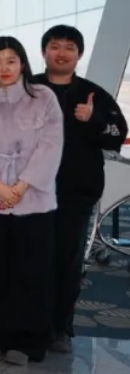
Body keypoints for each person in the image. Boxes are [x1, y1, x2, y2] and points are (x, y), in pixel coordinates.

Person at [0, 37, 63, 365]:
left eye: (10, 61)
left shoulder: (43, 97)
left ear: (23, 63)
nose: (4, 68)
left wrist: (20, 187)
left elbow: (51, 146)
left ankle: (28, 341)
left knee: (31, 271)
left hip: (33, 199)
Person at [34, 24, 127, 354]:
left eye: (69, 47)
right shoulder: (28, 88)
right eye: (55, 46)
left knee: (67, 260)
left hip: (75, 192)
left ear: (79, 54)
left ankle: (61, 326)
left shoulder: (93, 94)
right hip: (28, 191)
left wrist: (93, 119)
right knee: (30, 259)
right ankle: (30, 324)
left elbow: (117, 134)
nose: (61, 53)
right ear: (44, 51)